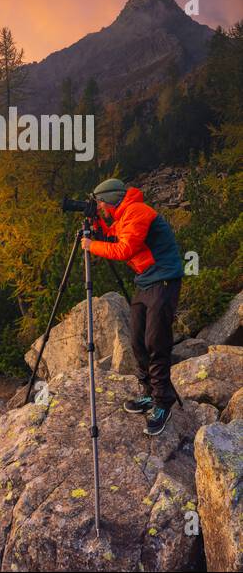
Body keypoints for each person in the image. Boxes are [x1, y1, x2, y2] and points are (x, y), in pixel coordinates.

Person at [81, 178, 184, 435]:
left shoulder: (138, 211)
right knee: (137, 340)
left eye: (102, 203)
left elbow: (125, 249)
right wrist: (95, 224)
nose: (101, 207)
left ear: (112, 199)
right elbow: (114, 235)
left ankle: (163, 402)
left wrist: (92, 246)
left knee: (155, 341)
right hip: (146, 282)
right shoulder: (125, 215)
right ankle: (149, 393)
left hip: (163, 279)